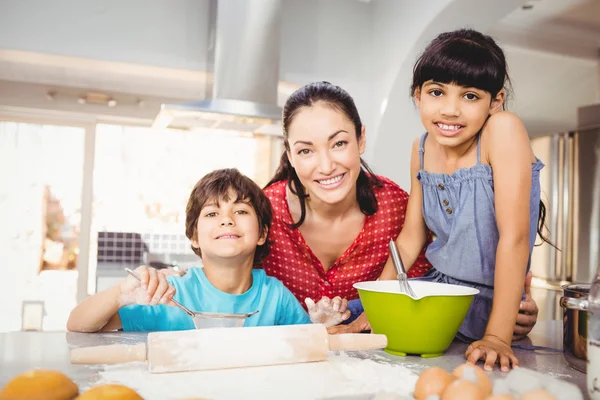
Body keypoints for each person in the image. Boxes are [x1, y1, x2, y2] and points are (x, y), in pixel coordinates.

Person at [262, 80, 539, 339]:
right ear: (290, 156)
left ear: (361, 140)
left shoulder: (395, 209)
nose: (325, 166)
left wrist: (504, 310)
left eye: (339, 144)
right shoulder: (263, 212)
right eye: (305, 151)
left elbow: (431, 292)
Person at [349, 29, 549, 371]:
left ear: (495, 101)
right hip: (437, 296)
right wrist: (375, 310)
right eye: (437, 92)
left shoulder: (502, 129)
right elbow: (411, 238)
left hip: (492, 306)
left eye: (470, 96)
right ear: (418, 96)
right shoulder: (421, 148)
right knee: (344, 318)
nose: (451, 109)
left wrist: (498, 336)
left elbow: (514, 238)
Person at [67, 168, 348, 333]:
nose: (227, 219)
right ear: (194, 236)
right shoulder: (168, 294)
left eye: (240, 210)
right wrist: (120, 295)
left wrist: (317, 329)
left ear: (262, 233)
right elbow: (78, 325)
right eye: (212, 214)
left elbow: (303, 349)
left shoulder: (274, 296)